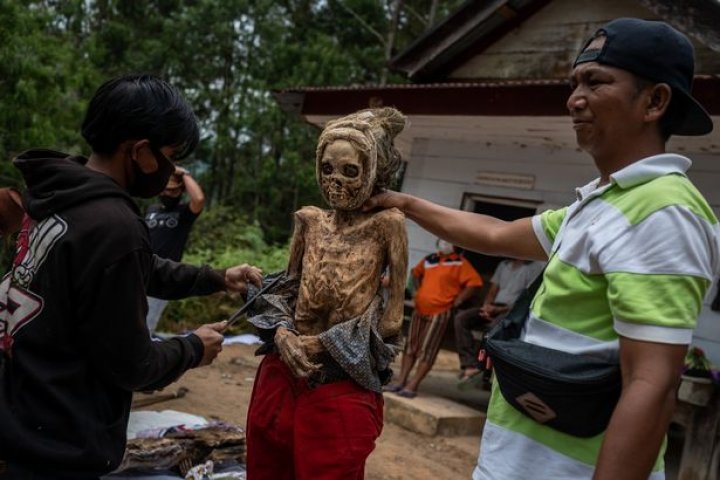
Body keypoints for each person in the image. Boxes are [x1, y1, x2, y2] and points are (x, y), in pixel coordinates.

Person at [364, 18, 719, 480]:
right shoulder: (598, 204)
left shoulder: (663, 212)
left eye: (596, 82)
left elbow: (652, 385)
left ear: (654, 101)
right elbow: (492, 233)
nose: (574, 99)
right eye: (574, 83)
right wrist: (402, 202)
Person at [0, 74, 263, 479]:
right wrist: (193, 348)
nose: (170, 168)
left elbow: (141, 266)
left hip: (21, 412)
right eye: (170, 155)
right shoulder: (113, 225)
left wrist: (216, 277)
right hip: (55, 446)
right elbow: (133, 364)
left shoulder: (60, 195)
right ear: (140, 151)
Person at [245, 107, 408, 480]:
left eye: (350, 170)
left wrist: (319, 345)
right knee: (264, 466)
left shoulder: (388, 225)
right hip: (281, 372)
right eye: (327, 168)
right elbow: (286, 288)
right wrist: (283, 333)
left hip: (340, 386)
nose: (335, 181)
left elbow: (391, 323)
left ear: (372, 172)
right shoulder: (309, 220)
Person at [384, 238, 483, 398]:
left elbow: (474, 283)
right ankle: (401, 381)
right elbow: (415, 273)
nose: (443, 243)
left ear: (455, 245)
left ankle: (412, 385)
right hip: (419, 309)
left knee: (427, 350)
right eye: (441, 240)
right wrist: (416, 292)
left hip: (440, 311)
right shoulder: (430, 259)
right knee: (410, 347)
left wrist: (459, 300)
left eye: (447, 240)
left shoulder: (460, 263)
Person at [455, 258, 544, 382]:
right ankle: (469, 364)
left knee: (492, 329)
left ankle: (480, 367)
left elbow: (526, 299)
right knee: (461, 319)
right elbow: (492, 290)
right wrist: (487, 307)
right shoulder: (504, 265)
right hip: (493, 306)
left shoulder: (534, 267)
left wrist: (498, 310)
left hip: (511, 310)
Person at [145, 165, 205, 334]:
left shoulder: (184, 212)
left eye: (172, 191)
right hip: (142, 269)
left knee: (146, 323)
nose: (167, 194)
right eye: (164, 190)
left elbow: (199, 199)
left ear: (181, 191)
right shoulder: (151, 210)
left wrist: (184, 173)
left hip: (164, 275)